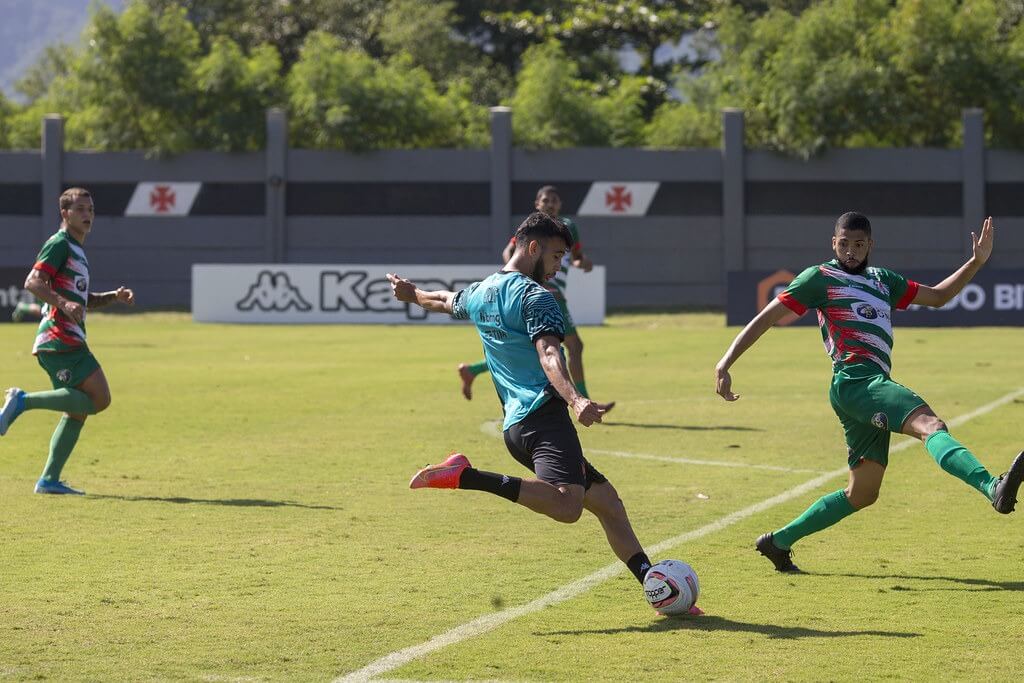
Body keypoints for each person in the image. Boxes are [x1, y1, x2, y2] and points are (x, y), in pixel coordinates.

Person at [715, 211, 1024, 573]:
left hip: (861, 388)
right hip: (857, 381)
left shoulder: (883, 280)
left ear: (870, 245)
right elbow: (767, 317)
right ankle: (992, 486)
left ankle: (778, 541)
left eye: (858, 245)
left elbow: (939, 297)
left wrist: (975, 262)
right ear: (834, 242)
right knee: (930, 425)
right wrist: (726, 362)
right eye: (843, 244)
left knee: (862, 493)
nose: (850, 251)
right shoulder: (819, 278)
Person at [388, 212, 661, 602]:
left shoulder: (483, 291)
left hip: (517, 427)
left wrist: (411, 295)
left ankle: (656, 586)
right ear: (533, 247)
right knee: (568, 506)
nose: (557, 267)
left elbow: (443, 299)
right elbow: (550, 354)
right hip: (544, 418)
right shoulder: (537, 298)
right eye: (555, 256)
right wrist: (577, 398)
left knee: (607, 503)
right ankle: (465, 476)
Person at [0, 187, 135, 495]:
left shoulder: (76, 250)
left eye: (91, 209)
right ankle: (21, 401)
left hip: (65, 338)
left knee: (77, 410)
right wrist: (63, 303)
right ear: (65, 214)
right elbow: (33, 282)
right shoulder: (59, 244)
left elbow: (81, 300)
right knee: (100, 398)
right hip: (59, 339)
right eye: (81, 209)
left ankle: (49, 480)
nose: (88, 215)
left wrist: (112, 297)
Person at [458, 186, 611, 412]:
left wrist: (583, 263)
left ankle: (474, 370)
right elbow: (508, 252)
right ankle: (584, 399)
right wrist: (525, 279)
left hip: (554, 293)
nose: (550, 204)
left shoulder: (569, 227)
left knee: (530, 347)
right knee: (573, 346)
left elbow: (577, 258)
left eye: (554, 200)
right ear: (537, 204)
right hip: (546, 294)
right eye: (545, 200)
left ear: (559, 205)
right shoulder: (532, 227)